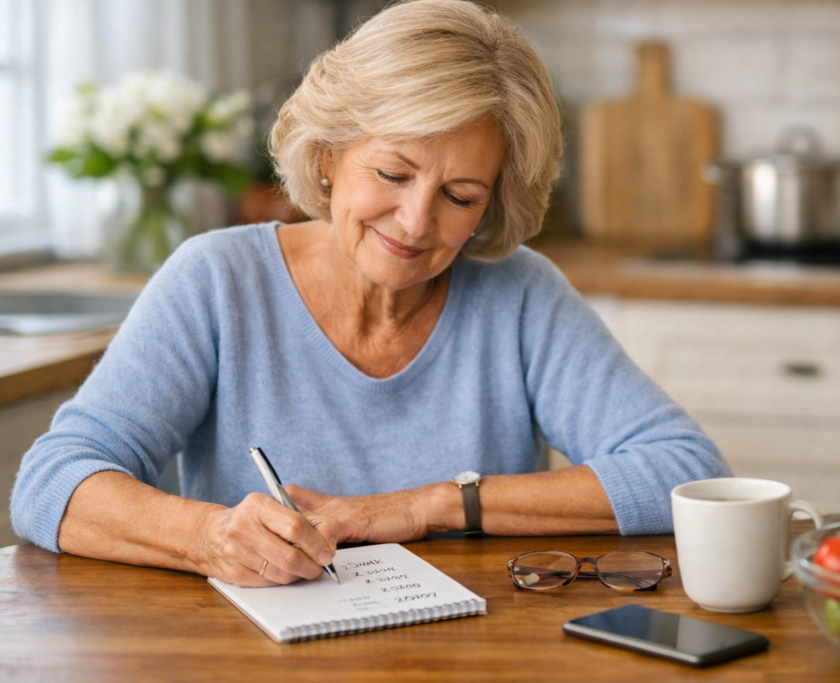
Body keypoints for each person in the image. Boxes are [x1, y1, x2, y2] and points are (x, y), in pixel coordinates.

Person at [10, 0, 730, 587]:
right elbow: (52, 482)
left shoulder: (519, 295)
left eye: (460, 193)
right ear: (329, 155)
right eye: (392, 174)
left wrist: (430, 505)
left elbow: (686, 470)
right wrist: (207, 536)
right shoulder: (216, 280)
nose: (417, 222)